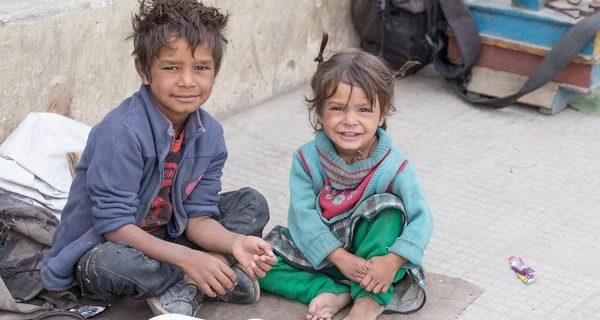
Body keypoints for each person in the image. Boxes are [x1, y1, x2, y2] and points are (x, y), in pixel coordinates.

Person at [41, 0, 276, 317]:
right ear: (143, 69)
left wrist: (233, 242)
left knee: (252, 203)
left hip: (169, 237)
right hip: (112, 246)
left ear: (216, 71)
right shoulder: (121, 132)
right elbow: (114, 226)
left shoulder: (210, 134)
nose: (187, 81)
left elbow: (197, 218)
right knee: (106, 265)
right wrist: (189, 260)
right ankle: (205, 278)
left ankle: (200, 278)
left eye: (201, 68)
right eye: (171, 67)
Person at [258, 44, 434, 320]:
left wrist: (392, 261)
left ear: (383, 113)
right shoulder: (306, 159)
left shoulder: (394, 165)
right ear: (319, 111)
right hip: (321, 255)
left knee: (388, 209)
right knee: (259, 264)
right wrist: (340, 258)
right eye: (338, 108)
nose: (350, 121)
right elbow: (303, 218)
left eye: (364, 110)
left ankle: (369, 300)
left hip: (373, 264)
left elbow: (421, 219)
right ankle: (329, 290)